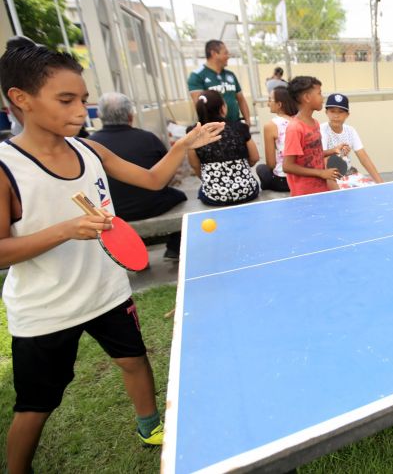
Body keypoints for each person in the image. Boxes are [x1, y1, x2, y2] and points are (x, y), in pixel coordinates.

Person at [0, 38, 223, 473]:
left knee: (134, 361)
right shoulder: (7, 168)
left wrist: (182, 145)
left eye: (83, 99)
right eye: (66, 100)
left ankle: (150, 427)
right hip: (44, 310)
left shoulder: (90, 149)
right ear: (20, 99)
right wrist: (65, 229)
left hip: (106, 291)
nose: (81, 111)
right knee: (36, 405)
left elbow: (154, 181)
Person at [89, 92, 187, 260]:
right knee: (180, 196)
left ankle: (132, 254)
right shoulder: (147, 138)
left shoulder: (90, 145)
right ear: (130, 116)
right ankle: (174, 247)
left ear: (99, 116)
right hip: (152, 205)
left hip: (113, 211)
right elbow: (164, 175)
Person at [188, 90, 260, 206]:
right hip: (247, 192)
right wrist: (241, 167)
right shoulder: (240, 127)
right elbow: (255, 158)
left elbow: (195, 166)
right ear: (223, 108)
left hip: (214, 196)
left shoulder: (193, 133)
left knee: (202, 191)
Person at [282, 76, 340, 196]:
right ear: (307, 97)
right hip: (305, 194)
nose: (322, 97)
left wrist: (333, 151)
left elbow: (312, 154)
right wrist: (321, 173)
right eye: (319, 93)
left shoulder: (315, 123)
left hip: (321, 188)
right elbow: (288, 166)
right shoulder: (295, 128)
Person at [320, 93, 384, 188]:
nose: (336, 115)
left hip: (350, 174)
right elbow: (323, 161)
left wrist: (381, 183)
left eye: (340, 112)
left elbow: (364, 158)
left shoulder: (350, 130)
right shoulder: (321, 130)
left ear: (347, 115)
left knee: (372, 191)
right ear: (326, 112)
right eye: (332, 111)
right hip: (331, 177)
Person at [187, 39, 251, 126]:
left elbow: (241, 99)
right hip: (215, 128)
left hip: (235, 124)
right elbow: (199, 106)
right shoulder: (197, 76)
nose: (228, 56)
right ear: (214, 53)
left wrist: (247, 121)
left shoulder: (230, 75)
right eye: (225, 53)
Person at [255, 86, 296, 193]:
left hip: (284, 181)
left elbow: (271, 164)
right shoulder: (301, 121)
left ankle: (267, 186)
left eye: (270, 100)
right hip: (303, 178)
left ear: (279, 104)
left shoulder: (271, 125)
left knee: (261, 168)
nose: (268, 103)